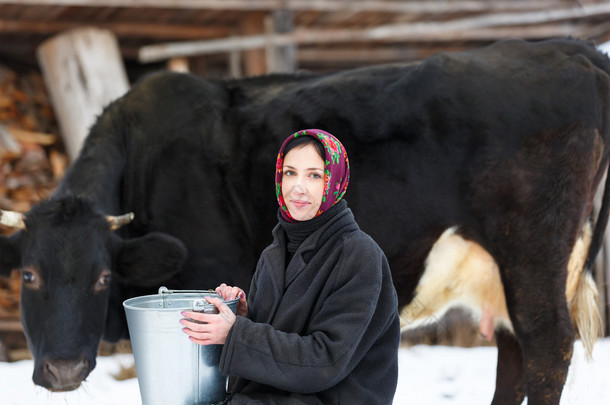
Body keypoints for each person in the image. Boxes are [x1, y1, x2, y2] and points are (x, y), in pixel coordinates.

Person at [180, 129, 400, 404]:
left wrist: (237, 333)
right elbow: (280, 339)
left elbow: (324, 361)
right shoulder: (274, 253)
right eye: (290, 172)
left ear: (335, 181)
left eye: (314, 175)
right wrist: (245, 316)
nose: (298, 187)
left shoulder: (359, 255)